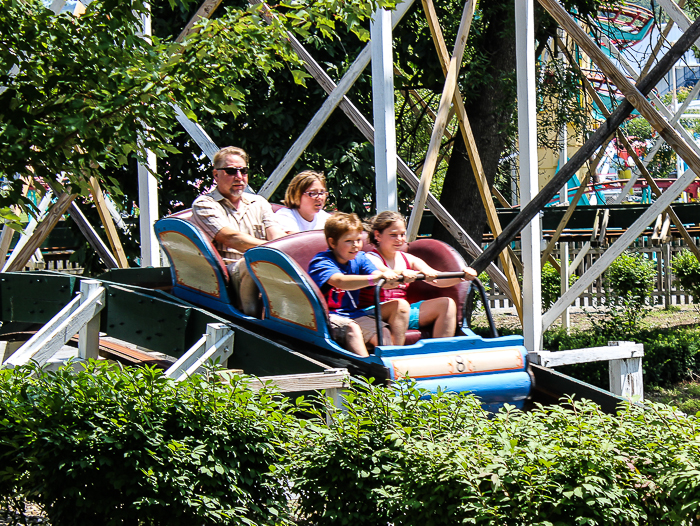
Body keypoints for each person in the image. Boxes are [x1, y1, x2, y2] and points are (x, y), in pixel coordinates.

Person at [192, 146, 286, 315]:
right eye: (231, 171)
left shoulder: (259, 202)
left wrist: (283, 251)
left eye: (243, 171)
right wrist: (271, 252)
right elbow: (231, 238)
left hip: (267, 266)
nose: (239, 177)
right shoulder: (205, 204)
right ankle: (252, 320)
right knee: (251, 262)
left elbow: (277, 237)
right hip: (227, 275)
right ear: (216, 175)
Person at [359, 211, 477, 338]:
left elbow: (437, 279)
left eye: (402, 234)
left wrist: (462, 276)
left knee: (447, 304)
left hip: (402, 311)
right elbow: (384, 273)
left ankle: (439, 353)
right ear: (378, 235)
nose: (399, 239)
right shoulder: (370, 258)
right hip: (373, 312)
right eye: (393, 235)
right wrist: (406, 273)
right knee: (400, 306)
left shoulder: (408, 258)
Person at [308, 212, 410, 357]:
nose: (355, 246)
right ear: (332, 243)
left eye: (358, 240)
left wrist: (401, 276)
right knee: (352, 328)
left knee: (384, 331)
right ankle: (367, 371)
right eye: (349, 241)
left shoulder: (360, 258)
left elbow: (378, 277)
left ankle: (392, 365)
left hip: (353, 314)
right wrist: (375, 279)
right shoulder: (322, 262)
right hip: (326, 317)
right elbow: (340, 281)